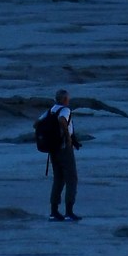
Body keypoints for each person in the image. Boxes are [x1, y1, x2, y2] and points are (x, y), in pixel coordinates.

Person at [39, 89, 80, 221]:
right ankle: (69, 212)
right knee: (71, 178)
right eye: (68, 98)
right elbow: (62, 120)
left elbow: (36, 124)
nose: (69, 100)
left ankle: (54, 212)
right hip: (64, 148)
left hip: (52, 148)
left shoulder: (50, 110)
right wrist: (67, 138)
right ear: (65, 100)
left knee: (58, 179)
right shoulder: (65, 110)